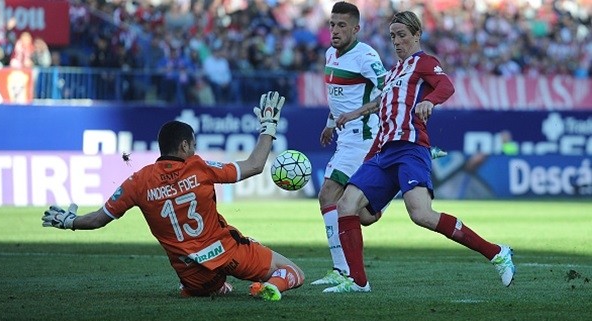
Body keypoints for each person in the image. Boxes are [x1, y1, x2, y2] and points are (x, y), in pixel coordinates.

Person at [41, 91, 305, 301]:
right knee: (293, 272)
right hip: (228, 253)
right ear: (184, 145)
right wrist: (269, 126)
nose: (195, 148)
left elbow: (99, 219)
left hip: (191, 274)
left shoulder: (138, 181)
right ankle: (272, 287)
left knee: (216, 288)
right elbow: (255, 165)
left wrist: (69, 221)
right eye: (193, 144)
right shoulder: (198, 167)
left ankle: (208, 288)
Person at [326, 11, 515, 293]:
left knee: (421, 215)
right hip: (383, 151)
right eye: (393, 36)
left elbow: (446, 86)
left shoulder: (424, 63)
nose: (397, 41)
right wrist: (365, 150)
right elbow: (384, 108)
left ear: (417, 35)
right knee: (349, 208)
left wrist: (430, 101)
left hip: (411, 149)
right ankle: (358, 282)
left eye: (402, 35)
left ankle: (497, 252)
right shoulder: (392, 74)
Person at [312, 1, 447, 288]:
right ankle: (383, 196)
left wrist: (360, 114)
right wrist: (329, 121)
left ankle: (343, 271)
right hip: (344, 137)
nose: (335, 31)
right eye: (332, 25)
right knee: (362, 216)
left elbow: (389, 93)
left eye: (341, 26)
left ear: (356, 28)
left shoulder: (366, 57)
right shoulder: (330, 55)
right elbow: (338, 98)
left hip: (363, 138)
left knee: (328, 196)